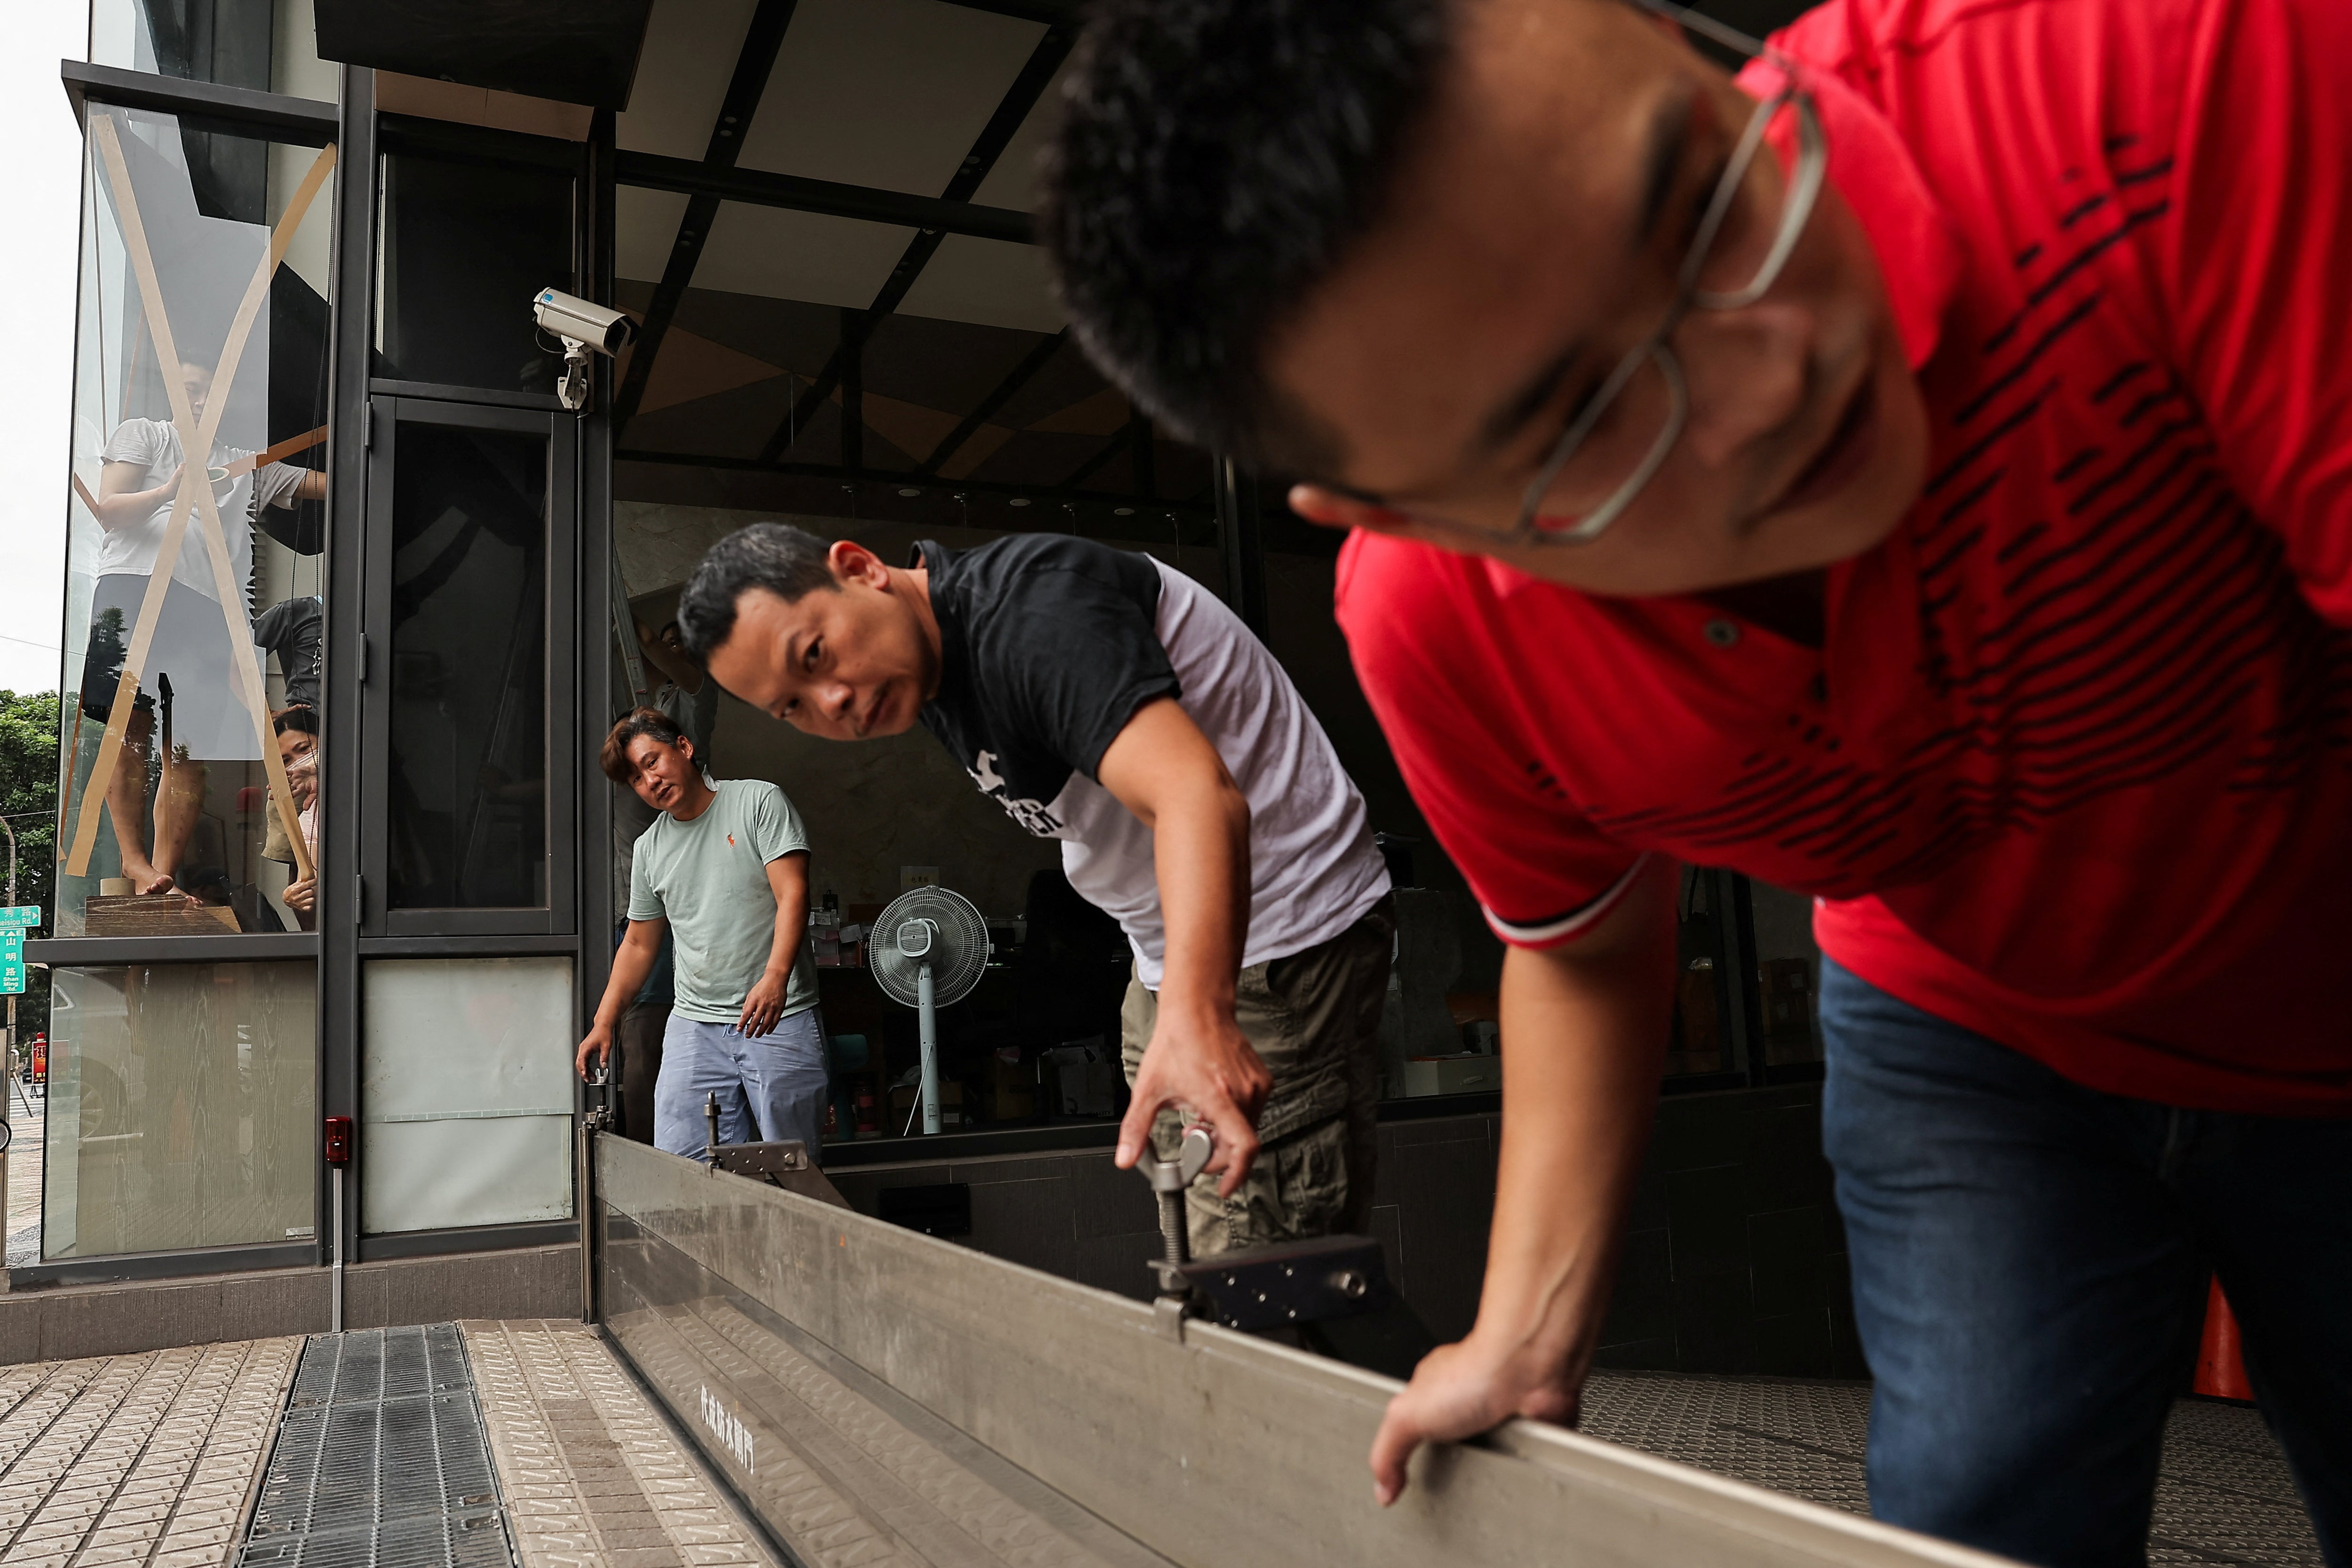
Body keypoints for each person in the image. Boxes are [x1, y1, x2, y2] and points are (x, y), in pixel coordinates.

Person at [1037, 0, 2352, 1560]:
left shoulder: (2155, 80)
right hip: (1969, 1021)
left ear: (1673, 42)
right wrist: (1527, 1328)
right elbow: (1584, 947)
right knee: (1978, 1512)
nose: (1775, 374)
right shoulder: (1444, 632)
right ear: (1408, 511)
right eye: (1589, 418)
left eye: (1711, 200)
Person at [676, 523, 1394, 1258]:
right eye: (792, 708)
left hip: (1276, 943)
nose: (832, 702)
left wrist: (1196, 1015)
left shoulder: (1028, 611)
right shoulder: (929, 670)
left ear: (860, 569)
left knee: (1256, 1278)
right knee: (1204, 1257)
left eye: (816, 654)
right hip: (1171, 961)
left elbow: (1197, 798)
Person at [84, 360, 325, 894]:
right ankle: (132, 860)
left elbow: (327, 486)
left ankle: (162, 871)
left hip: (208, 606)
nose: (198, 400)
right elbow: (110, 510)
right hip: (137, 587)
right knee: (131, 732)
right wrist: (172, 488)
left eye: (209, 391)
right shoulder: (145, 434)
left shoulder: (244, 466)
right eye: (189, 390)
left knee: (189, 749)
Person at [577, 708, 827, 1160]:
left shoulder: (758, 802)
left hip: (778, 1014)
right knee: (684, 1167)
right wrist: (604, 1020)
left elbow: (794, 895)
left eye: (652, 762)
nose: (649, 782)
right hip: (695, 1024)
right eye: (636, 778)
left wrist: (775, 978)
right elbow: (638, 943)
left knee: (793, 1167)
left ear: (684, 748)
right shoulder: (649, 848)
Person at [262, 705, 321, 930]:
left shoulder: (369, 783)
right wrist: (294, 899)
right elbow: (309, 889)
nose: (299, 764)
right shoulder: (306, 819)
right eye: (286, 761)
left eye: (305, 749)